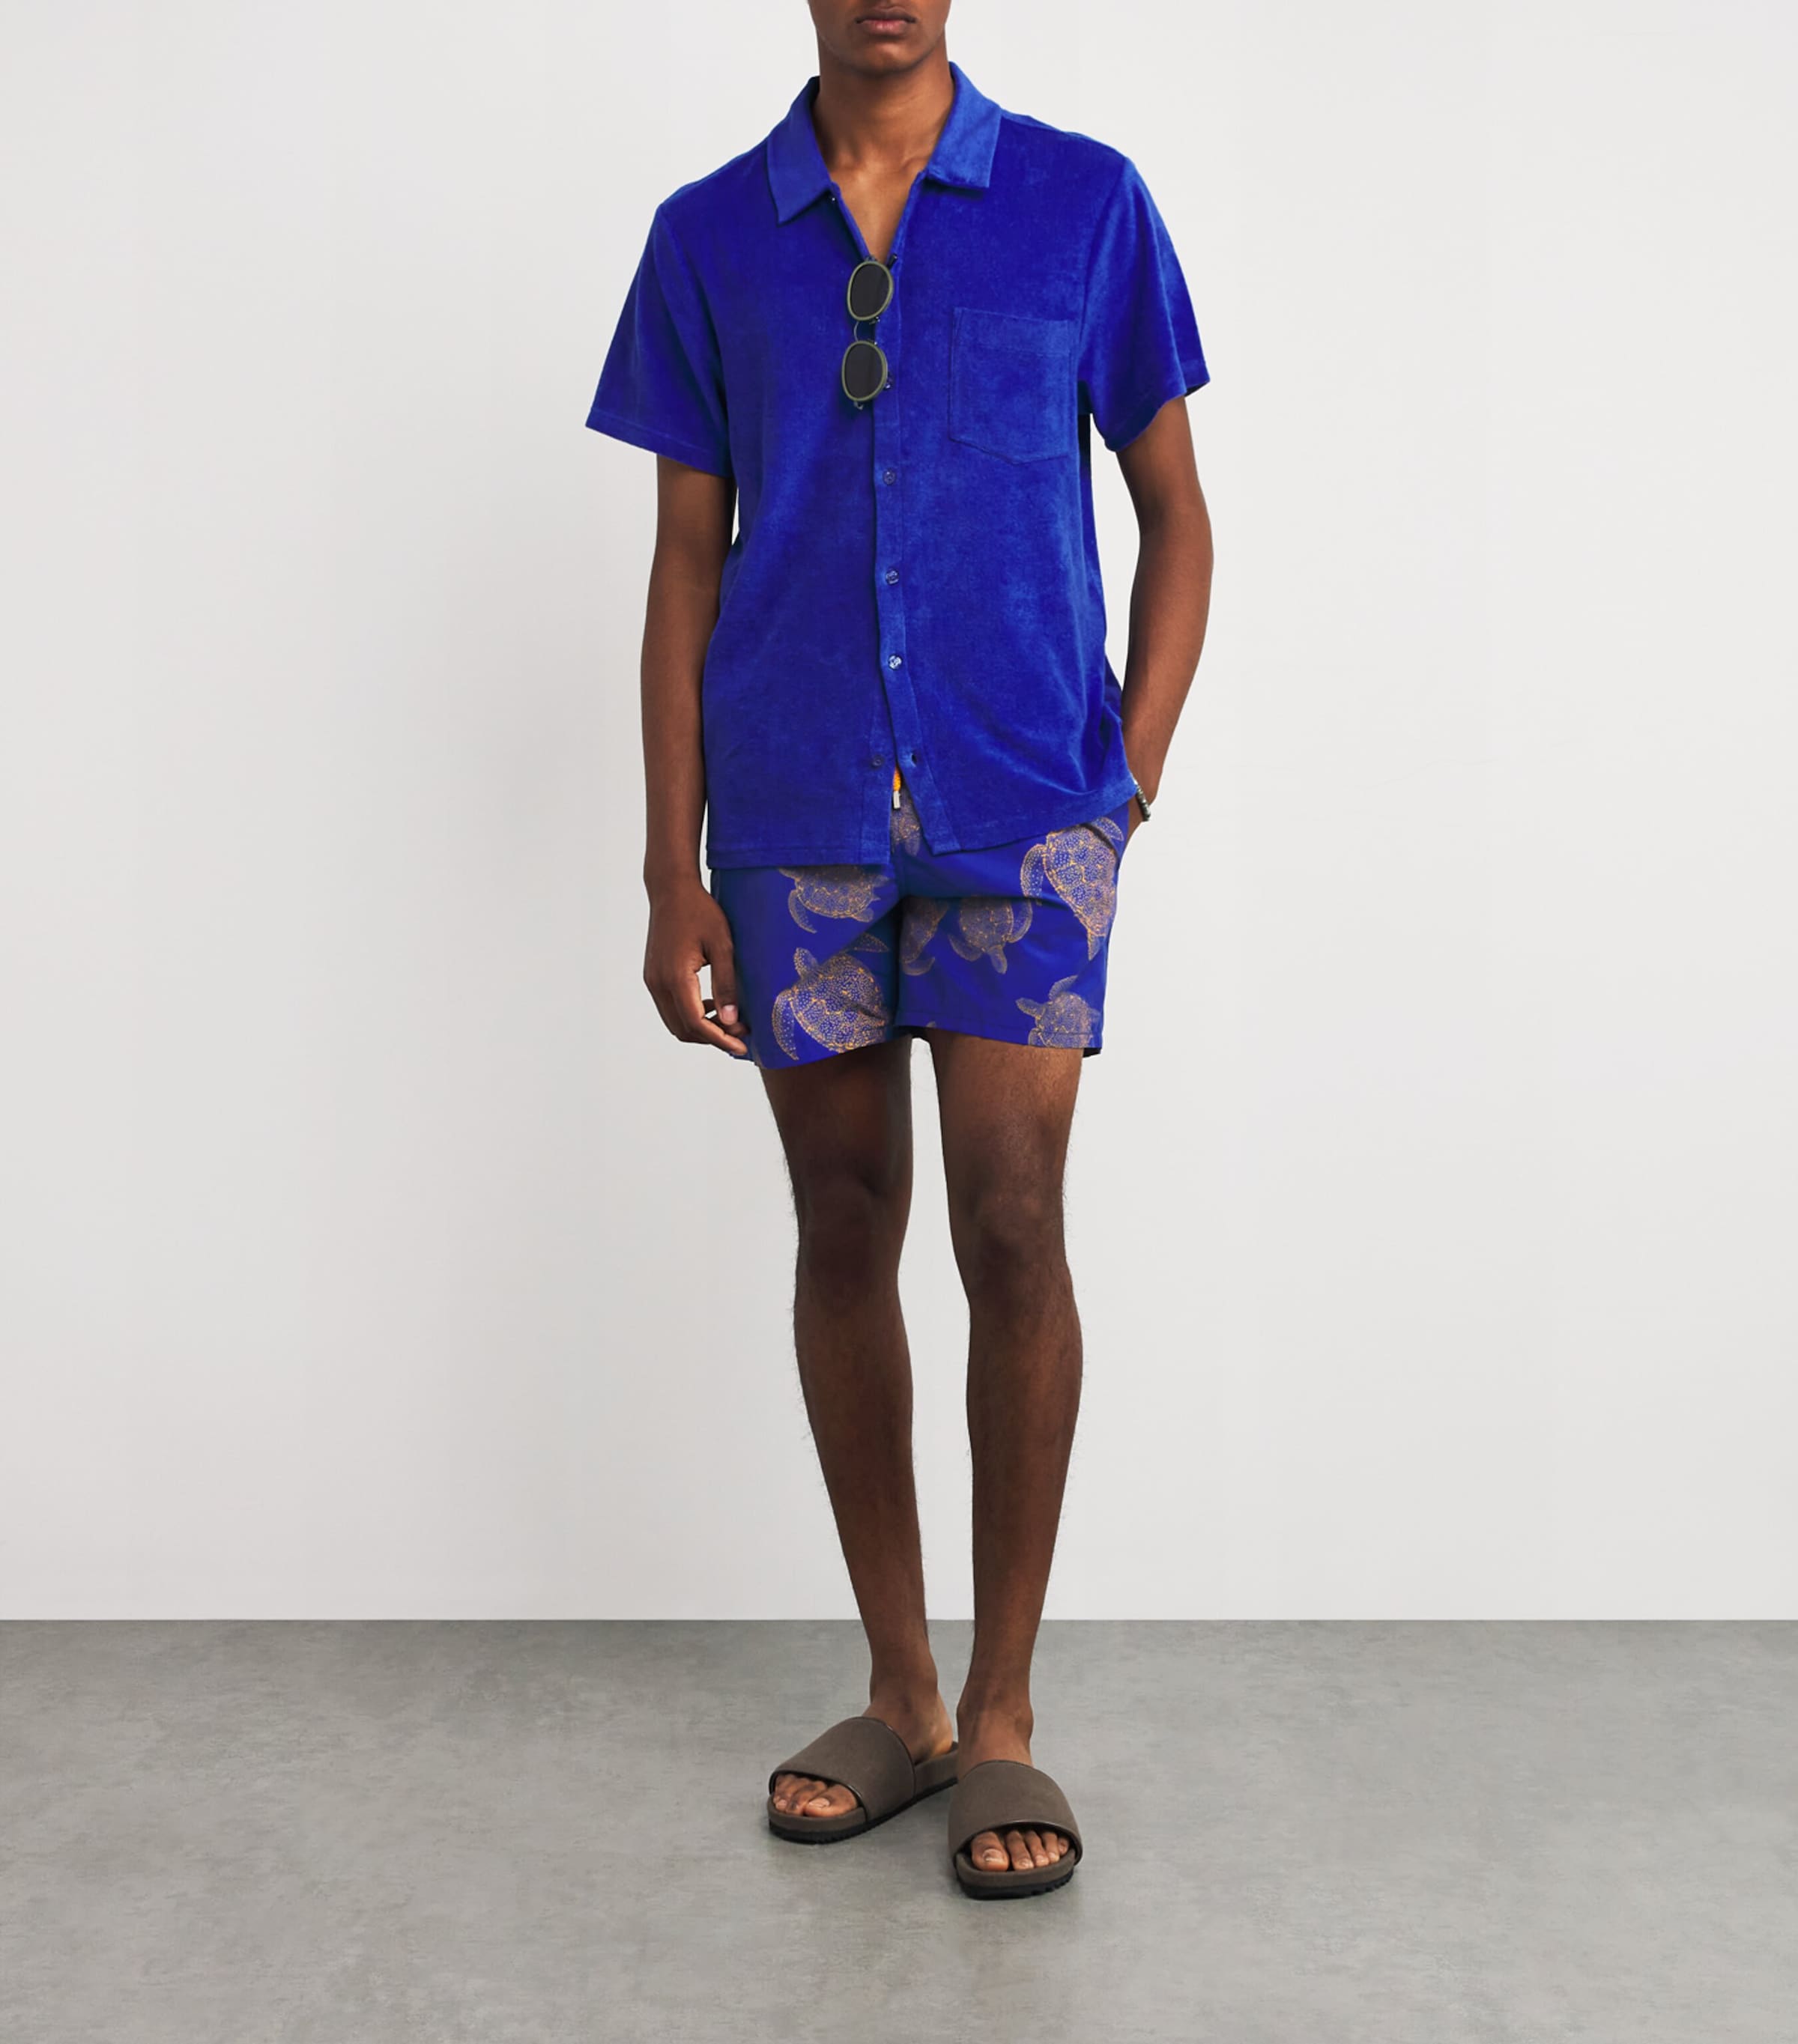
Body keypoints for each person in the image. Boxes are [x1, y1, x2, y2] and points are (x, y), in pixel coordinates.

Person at [585, 0, 1213, 1899]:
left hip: (1023, 818)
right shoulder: (710, 236)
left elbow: (1178, 517)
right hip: (794, 816)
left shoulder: (1086, 207)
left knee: (1012, 1222)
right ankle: (903, 1692)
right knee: (844, 1220)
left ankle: (1005, 1710)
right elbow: (684, 559)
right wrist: (667, 864)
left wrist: (1122, 789)